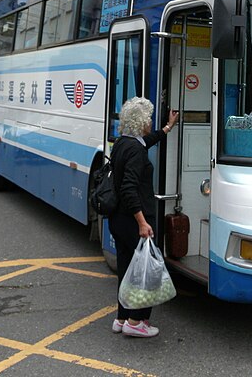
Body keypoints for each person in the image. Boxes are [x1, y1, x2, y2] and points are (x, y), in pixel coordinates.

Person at [108, 96, 179, 338]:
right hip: (133, 220)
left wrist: (167, 128)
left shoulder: (122, 144)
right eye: (148, 119)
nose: (150, 123)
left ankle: (121, 317)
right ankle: (137, 322)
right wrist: (142, 222)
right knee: (144, 272)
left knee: (127, 269)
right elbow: (129, 188)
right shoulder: (136, 151)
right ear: (140, 122)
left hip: (117, 219)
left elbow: (146, 142)